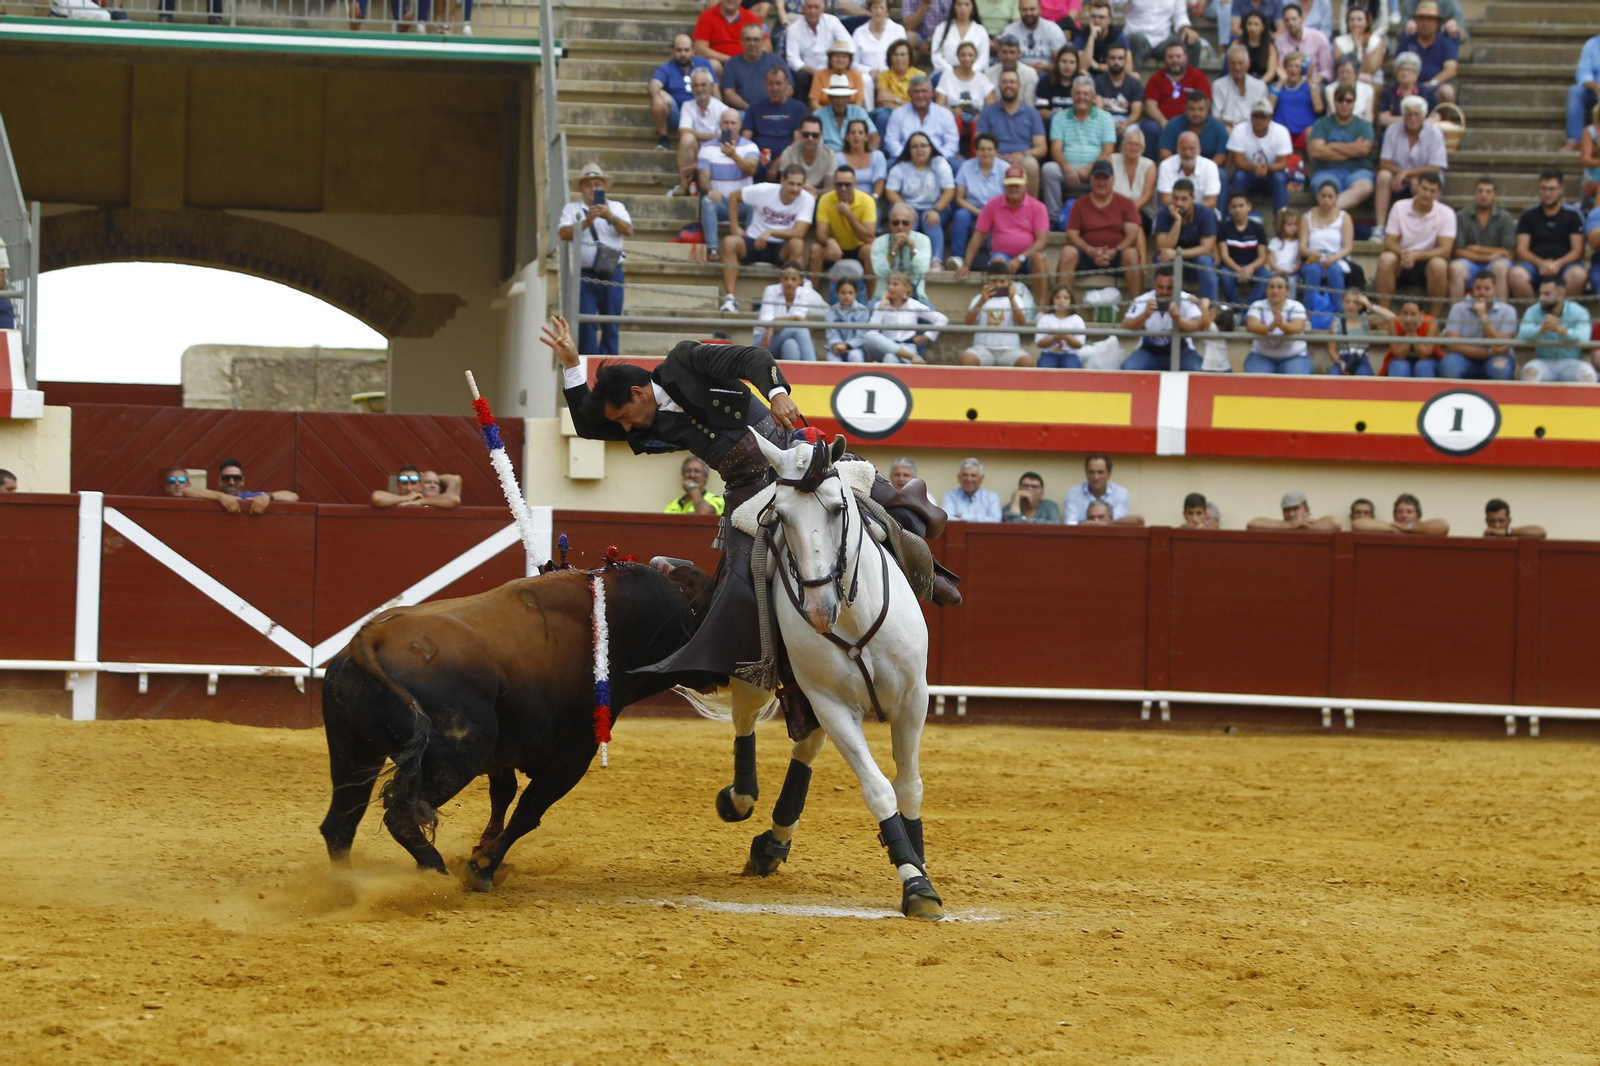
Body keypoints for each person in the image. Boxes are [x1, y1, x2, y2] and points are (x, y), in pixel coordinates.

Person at [541, 316, 962, 686]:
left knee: (878, 500)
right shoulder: (643, 422)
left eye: (624, 416)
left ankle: (924, 575)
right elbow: (590, 426)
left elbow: (750, 359)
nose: (625, 427)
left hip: (792, 455)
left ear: (639, 393)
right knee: (740, 584)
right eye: (621, 423)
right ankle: (780, 677)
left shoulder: (683, 362)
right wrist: (574, 367)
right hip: (746, 491)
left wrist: (776, 392)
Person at [558, 163, 633, 357]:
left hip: (612, 272)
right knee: (586, 324)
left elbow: (628, 230)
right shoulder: (572, 208)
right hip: (585, 274)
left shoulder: (616, 207)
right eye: (589, 184)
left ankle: (609, 367)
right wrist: (587, 221)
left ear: (604, 187)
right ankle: (588, 365)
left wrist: (609, 216)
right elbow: (563, 233)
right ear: (581, 188)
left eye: (597, 184)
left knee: (611, 323)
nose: (593, 188)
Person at [720, 168, 816, 312]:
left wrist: (770, 232)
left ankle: (795, 301)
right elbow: (734, 197)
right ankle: (730, 299)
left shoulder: (807, 199)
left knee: (798, 244)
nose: (795, 188)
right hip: (753, 240)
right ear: (782, 181)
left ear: (804, 185)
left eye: (799, 184)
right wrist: (735, 227)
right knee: (729, 242)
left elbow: (800, 232)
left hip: (781, 248)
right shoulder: (764, 190)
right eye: (791, 183)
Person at [962, 164, 1051, 300]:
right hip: (1002, 255)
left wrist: (1019, 259)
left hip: (1028, 257)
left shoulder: (1038, 207)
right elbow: (978, 236)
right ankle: (998, 308)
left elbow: (1042, 240)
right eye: (1010, 185)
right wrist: (966, 264)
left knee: (1039, 258)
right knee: (998, 263)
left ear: (1026, 186)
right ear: (1004, 185)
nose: (1013, 188)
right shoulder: (993, 204)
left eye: (1017, 184)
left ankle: (1042, 309)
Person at [1059, 158, 1144, 294]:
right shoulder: (1079, 204)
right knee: (1068, 252)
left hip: (1117, 256)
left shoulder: (1127, 203)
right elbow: (1072, 234)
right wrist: (1090, 250)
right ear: (1091, 180)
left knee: (1131, 253)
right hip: (1087, 256)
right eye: (1097, 178)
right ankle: (1061, 300)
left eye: (1105, 178)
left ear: (1113, 180)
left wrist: (1115, 251)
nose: (1101, 182)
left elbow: (1133, 235)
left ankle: (1137, 305)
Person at [1375, 169, 1453, 310]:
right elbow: (1390, 242)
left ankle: (1434, 321)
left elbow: (1446, 249)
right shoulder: (1399, 207)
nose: (1427, 194)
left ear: (1438, 193)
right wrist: (1404, 254)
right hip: (1402, 260)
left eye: (1432, 191)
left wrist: (1417, 256)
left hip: (1428, 263)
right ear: (1417, 187)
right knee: (1386, 259)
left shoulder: (1447, 213)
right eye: (1424, 188)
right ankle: (1384, 313)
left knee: (1439, 265)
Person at [1042, 74, 1116, 220]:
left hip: (1095, 167)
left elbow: (1108, 149)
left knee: (1110, 167)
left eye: (1086, 94)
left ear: (1093, 97)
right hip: (1067, 167)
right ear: (1072, 95)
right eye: (1078, 93)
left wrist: (1089, 168)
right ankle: (1054, 218)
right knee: (1048, 169)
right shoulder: (1059, 117)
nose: (1081, 97)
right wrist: (1067, 168)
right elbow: (1055, 149)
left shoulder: (1105, 117)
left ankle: (1103, 216)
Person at [1510, 170, 1588, 301]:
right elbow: (1521, 249)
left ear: (1561, 189)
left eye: (1552, 189)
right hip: (1534, 265)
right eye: (1543, 189)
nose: (1547, 194)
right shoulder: (1528, 215)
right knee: (1516, 274)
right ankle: (1533, 315)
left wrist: (1558, 264)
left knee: (1578, 275)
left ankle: (1562, 315)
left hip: (1565, 266)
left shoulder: (1573, 215)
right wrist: (1541, 264)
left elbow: (1578, 250)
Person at [1375, 95, 1447, 231]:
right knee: (1383, 176)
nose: (1413, 118)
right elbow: (1384, 163)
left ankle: (1428, 228)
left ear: (1423, 116)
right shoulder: (1392, 130)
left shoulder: (1435, 133)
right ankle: (1380, 227)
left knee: (1428, 183)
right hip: (1397, 175)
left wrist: (1409, 174)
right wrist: (1404, 175)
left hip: (1424, 175)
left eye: (1417, 115)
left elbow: (1436, 167)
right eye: (1409, 115)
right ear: (1403, 116)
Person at [886, 132, 956, 269]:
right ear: (909, 149)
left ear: (931, 148)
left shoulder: (940, 163)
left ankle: (936, 262)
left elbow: (949, 190)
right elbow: (890, 191)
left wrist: (936, 209)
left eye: (923, 145)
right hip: (908, 206)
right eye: (915, 146)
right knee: (905, 222)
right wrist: (906, 209)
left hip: (936, 206)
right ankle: (903, 261)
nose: (919, 149)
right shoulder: (900, 166)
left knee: (931, 221)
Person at [698, 109, 762, 261]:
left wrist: (733, 155)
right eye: (726, 123)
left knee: (756, 204)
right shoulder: (707, 148)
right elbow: (703, 179)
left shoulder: (750, 147)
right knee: (706, 202)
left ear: (740, 125)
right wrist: (710, 190)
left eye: (733, 123)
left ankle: (748, 247)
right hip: (721, 202)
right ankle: (713, 249)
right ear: (720, 125)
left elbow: (751, 169)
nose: (730, 126)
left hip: (742, 203)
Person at [976, 69, 1049, 196]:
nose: (1008, 85)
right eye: (1004, 82)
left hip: (1022, 159)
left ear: (1019, 86)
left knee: (1031, 164)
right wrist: (997, 156)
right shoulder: (988, 112)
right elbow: (977, 141)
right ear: (999, 86)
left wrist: (1020, 155)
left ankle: (1030, 211)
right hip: (994, 158)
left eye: (1012, 82)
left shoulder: (1032, 113)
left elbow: (1041, 148)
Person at [1120, 266, 1209, 370]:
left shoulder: (1186, 299)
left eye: (1169, 287)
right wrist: (1144, 315)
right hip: (1149, 352)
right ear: (1154, 284)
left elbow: (1198, 324)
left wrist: (1178, 319)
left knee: (1197, 370)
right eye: (1160, 287)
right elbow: (1126, 325)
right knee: (1128, 367)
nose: (1164, 292)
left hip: (1182, 352)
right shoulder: (1143, 299)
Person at [1306, 82, 1375, 212]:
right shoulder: (1322, 123)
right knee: (1325, 190)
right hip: (1326, 171)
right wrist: (1353, 149)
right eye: (1340, 99)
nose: (1344, 104)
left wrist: (1331, 145)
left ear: (1354, 103)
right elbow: (1316, 151)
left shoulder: (1364, 125)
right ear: (1335, 101)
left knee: (1365, 187)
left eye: (1348, 101)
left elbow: (1363, 150)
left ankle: (1323, 212)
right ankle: (1325, 213)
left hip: (1358, 171)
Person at [1439, 272, 1517, 381]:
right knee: (1449, 365)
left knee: (1502, 370)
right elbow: (1452, 344)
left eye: (1487, 289)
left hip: (1496, 357)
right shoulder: (1458, 308)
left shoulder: (1508, 311)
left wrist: (1483, 317)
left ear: (1495, 290)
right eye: (1478, 288)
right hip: (1464, 358)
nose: (1482, 293)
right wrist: (1486, 352)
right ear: (1472, 290)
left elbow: (1503, 346)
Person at [1153, 178, 1219, 305]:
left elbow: (1206, 248)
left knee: (1205, 260)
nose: (1179, 203)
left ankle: (1211, 310)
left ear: (1193, 198)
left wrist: (1178, 253)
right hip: (1171, 261)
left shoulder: (1205, 213)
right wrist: (1177, 221)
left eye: (1184, 199)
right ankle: (1163, 306)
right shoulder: (1164, 213)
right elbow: (1162, 246)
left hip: (1194, 263)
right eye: (1175, 198)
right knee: (1162, 257)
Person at [1517, 278, 1595, 383]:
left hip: (1571, 362)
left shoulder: (1579, 311)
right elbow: (1522, 334)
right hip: (1544, 362)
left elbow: (1584, 337)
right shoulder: (1533, 310)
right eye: (1540, 293)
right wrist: (1541, 329)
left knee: (1588, 375)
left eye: (1547, 294)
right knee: (1528, 373)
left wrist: (1561, 330)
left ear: (1561, 295)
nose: (1541, 298)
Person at [651, 35, 720, 151]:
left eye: (686, 50)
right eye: (679, 50)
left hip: (703, 111)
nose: (683, 54)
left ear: (692, 50)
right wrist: (656, 97)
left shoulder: (704, 63)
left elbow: (715, 88)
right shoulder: (666, 68)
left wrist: (719, 110)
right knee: (660, 95)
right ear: (672, 52)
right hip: (679, 115)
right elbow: (654, 84)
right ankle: (663, 138)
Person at [960, 262, 1038, 365]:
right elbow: (968, 322)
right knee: (967, 359)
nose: (998, 285)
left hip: (1010, 349)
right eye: (994, 281)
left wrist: (1012, 300)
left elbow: (1021, 322)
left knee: (1027, 362)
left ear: (1008, 281)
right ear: (987, 281)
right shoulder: (979, 298)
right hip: (982, 348)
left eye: (1002, 281)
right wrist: (982, 301)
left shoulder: (1016, 299)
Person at [811, 166, 880, 282]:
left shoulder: (867, 201)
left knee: (870, 250)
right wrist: (830, 241)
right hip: (835, 249)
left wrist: (849, 215)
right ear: (833, 184)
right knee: (815, 249)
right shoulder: (825, 199)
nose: (843, 188)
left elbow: (869, 237)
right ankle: (812, 295)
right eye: (839, 184)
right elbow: (820, 234)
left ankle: (872, 298)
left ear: (855, 184)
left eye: (847, 184)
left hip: (859, 249)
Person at [950, 133, 1007, 268]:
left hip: (997, 210)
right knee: (960, 215)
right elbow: (959, 198)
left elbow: (1008, 198)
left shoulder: (1005, 168)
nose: (986, 152)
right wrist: (978, 212)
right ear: (976, 151)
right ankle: (957, 257)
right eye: (982, 149)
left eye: (989, 149)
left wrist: (989, 213)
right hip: (972, 209)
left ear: (996, 151)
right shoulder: (966, 167)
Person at [862, 270, 948, 360]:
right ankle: (913, 357)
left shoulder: (913, 305)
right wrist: (881, 308)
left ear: (906, 287)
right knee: (869, 336)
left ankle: (907, 355)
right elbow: (872, 330)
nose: (890, 287)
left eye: (895, 284)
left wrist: (926, 336)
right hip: (885, 346)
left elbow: (942, 319)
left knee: (890, 357)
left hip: (907, 346)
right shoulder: (880, 304)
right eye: (889, 283)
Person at [1227, 98, 1292, 215]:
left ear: (1270, 118)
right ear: (1250, 117)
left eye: (1263, 117)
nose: (1259, 120)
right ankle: (1234, 219)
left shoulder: (1281, 131)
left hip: (1271, 175)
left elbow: (1283, 163)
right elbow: (1238, 161)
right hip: (1248, 174)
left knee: (1280, 178)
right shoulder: (1239, 130)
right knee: (1239, 176)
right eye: (1256, 117)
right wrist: (1254, 168)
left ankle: (1281, 220)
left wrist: (1267, 168)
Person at [744, 66, 812, 178]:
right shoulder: (755, 107)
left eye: (779, 83)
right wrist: (754, 154)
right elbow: (746, 138)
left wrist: (776, 164)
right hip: (759, 159)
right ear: (765, 85)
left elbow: (797, 141)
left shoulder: (798, 108)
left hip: (788, 161)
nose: (774, 88)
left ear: (787, 84)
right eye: (771, 83)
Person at [1092, 44, 1158, 153]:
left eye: (1120, 58)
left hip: (1128, 123)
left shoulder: (1135, 84)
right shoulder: (1099, 81)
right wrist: (1111, 125)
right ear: (1107, 60)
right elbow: (1099, 110)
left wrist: (1125, 124)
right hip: (1105, 121)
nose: (1116, 62)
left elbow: (1136, 112)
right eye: (1113, 58)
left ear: (1125, 61)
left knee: (1135, 136)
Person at [757, 260, 829, 360]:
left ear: (800, 280)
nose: (789, 282)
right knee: (801, 329)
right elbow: (766, 321)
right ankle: (813, 367)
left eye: (793, 279)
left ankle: (795, 375)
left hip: (783, 338)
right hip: (764, 341)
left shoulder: (803, 293)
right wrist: (795, 318)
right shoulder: (770, 290)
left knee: (791, 345)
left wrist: (774, 325)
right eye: (786, 278)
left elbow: (794, 323)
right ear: (781, 279)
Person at [673, 69, 729, 196]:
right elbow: (683, 131)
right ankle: (685, 185)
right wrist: (714, 137)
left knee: (690, 136)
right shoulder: (687, 106)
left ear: (711, 87)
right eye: (696, 85)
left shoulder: (722, 109)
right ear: (692, 88)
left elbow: (725, 140)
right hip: (695, 152)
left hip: (715, 154)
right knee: (687, 138)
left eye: (703, 85)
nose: (699, 89)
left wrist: (695, 134)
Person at [786, 0, 854, 102]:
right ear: (803, 9)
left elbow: (849, 44)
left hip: (833, 69)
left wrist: (836, 66)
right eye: (809, 7)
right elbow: (792, 59)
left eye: (816, 7)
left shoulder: (832, 21)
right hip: (809, 73)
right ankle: (803, 112)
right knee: (799, 76)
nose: (813, 11)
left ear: (822, 9)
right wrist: (815, 72)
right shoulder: (794, 29)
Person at [883, 75, 962, 161]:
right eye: (916, 92)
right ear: (909, 93)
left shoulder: (945, 114)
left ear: (932, 93)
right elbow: (891, 140)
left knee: (959, 168)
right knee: (886, 167)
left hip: (939, 159)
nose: (920, 95)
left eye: (924, 91)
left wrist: (936, 158)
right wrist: (907, 157)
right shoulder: (898, 113)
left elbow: (952, 143)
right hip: (904, 159)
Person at [1244, 274, 1310, 373]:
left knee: (1296, 383)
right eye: (1272, 287)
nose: (1275, 291)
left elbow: (1297, 328)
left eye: (1280, 287)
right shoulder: (1257, 305)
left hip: (1294, 356)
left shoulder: (1296, 306)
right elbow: (1251, 326)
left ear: (1288, 291)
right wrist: (1271, 327)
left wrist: (1281, 324)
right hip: (1261, 355)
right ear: (1266, 290)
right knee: (1256, 382)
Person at [1394, 0, 1457, 106]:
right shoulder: (1407, 41)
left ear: (1437, 22)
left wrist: (1431, 83)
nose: (1425, 23)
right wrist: (1410, 82)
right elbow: (1395, 65)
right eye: (1421, 19)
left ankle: (1443, 119)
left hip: (1435, 87)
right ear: (1416, 21)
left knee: (1447, 92)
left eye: (1430, 19)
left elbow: (1451, 68)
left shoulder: (1444, 42)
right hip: (1409, 85)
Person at [1300, 181, 1354, 299]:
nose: (1326, 200)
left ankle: (1339, 313)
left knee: (1334, 270)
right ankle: (1309, 311)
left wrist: (1334, 258)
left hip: (1336, 258)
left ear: (1336, 198)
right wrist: (1310, 252)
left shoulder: (1344, 217)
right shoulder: (1306, 217)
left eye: (1330, 196)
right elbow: (1302, 246)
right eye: (1323, 196)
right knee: (1313, 270)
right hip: (1313, 258)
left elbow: (1348, 247)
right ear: (1317, 196)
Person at [1326, 288, 1396, 376]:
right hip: (1342, 358)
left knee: (1364, 377)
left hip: (1361, 359)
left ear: (1360, 305)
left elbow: (1392, 317)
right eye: (1347, 302)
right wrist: (1340, 363)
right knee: (1332, 378)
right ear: (1342, 303)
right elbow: (1331, 350)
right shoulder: (1336, 323)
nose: (1350, 306)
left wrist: (1370, 305)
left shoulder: (1366, 320)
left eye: (1355, 302)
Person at [1218, 192, 1271, 308]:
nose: (1238, 210)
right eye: (1234, 206)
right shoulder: (1223, 228)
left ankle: (1248, 310)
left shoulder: (1257, 228)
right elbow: (1224, 255)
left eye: (1241, 206)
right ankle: (1237, 310)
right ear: (1229, 209)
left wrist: (1249, 268)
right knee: (1225, 275)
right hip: (1232, 267)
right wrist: (1239, 270)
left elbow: (1262, 256)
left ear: (1249, 207)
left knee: (1265, 276)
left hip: (1253, 267)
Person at [871, 204, 935, 300]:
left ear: (912, 224)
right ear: (890, 224)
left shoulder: (923, 240)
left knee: (931, 312)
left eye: (905, 223)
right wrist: (893, 250)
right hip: (884, 296)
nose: (900, 227)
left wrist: (912, 247)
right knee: (871, 309)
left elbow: (921, 269)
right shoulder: (879, 242)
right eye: (895, 223)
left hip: (915, 297)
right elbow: (880, 271)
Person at [721, 24, 789, 112]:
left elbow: (789, 88)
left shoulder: (776, 61)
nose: (752, 43)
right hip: (744, 112)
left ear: (763, 41)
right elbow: (728, 93)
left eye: (756, 39)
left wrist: (771, 106)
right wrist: (751, 109)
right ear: (741, 41)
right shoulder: (731, 64)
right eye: (748, 39)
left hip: (775, 109)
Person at [1143, 41, 1211, 128]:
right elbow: (1150, 105)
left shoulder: (1199, 77)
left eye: (1178, 56)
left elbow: (1206, 103)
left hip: (1189, 122)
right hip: (1162, 123)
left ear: (1186, 56)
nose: (1174, 60)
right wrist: (1163, 121)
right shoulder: (1156, 78)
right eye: (1170, 57)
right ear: (1165, 58)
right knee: (1149, 127)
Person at [200, 458, 300, 515]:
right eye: (227, 478)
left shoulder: (252, 497)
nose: (231, 482)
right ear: (220, 481)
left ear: (242, 481)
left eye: (236, 478)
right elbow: (188, 491)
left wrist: (268, 496)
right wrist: (220, 496)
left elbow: (293, 496)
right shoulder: (213, 498)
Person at [1123, 0, 1200, 72]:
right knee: (1135, 39)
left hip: (1162, 40)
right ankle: (1131, 82)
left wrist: (1185, 29)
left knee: (1192, 42)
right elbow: (1115, 2)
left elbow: (1180, 16)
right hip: (1137, 38)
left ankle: (1189, 84)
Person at [1063, 453, 1140, 524]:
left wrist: (1091, 524)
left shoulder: (1120, 493)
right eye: (1091, 472)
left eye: (1100, 472)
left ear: (1109, 474)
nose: (1096, 477)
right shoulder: (1074, 493)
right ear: (1086, 473)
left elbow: (1117, 523)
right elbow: (1070, 523)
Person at [1158, 91, 1229, 166]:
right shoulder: (1172, 125)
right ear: (1185, 109)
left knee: (1222, 175)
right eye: (1192, 109)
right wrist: (1183, 169)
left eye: (1201, 109)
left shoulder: (1219, 127)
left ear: (1207, 110)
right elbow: (1164, 153)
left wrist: (1203, 170)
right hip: (1178, 168)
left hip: (1207, 170)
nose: (1197, 113)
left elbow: (1221, 157)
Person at [1155, 131, 1222, 210]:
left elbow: (1211, 201)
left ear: (1199, 148)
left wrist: (1189, 212)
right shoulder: (1166, 165)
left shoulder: (1210, 166)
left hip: (1202, 212)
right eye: (1183, 149)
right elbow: (1165, 199)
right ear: (1177, 148)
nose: (1188, 153)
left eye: (1191, 148)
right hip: (1174, 211)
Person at [694, 0, 769, 71]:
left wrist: (749, 57)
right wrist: (728, 59)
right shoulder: (706, 16)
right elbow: (700, 49)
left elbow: (767, 46)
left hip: (747, 64)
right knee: (713, 64)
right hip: (720, 65)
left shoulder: (751, 17)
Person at [1211, 45, 1271, 132]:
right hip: (1228, 129)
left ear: (1248, 64)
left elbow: (1264, 114)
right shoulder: (1218, 85)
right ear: (1228, 64)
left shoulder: (1260, 86)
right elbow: (1215, 117)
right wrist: (1228, 123)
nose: (1237, 67)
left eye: (1240, 63)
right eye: (1233, 63)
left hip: (1254, 130)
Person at [937, 41, 996, 127]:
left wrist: (982, 116)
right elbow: (939, 103)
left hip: (976, 118)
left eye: (970, 55)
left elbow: (991, 106)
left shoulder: (982, 78)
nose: (967, 58)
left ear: (975, 57)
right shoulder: (947, 76)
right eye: (963, 55)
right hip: (953, 117)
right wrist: (951, 111)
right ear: (958, 57)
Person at [776, 115, 839, 195]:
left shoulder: (830, 154)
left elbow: (830, 188)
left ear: (821, 135)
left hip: (820, 198)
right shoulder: (789, 153)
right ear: (800, 134)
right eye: (806, 134)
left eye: (814, 135)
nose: (810, 138)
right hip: (793, 196)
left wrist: (815, 192)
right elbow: (784, 184)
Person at [873, 40, 925, 137]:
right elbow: (881, 101)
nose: (899, 58)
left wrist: (894, 99)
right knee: (882, 117)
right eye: (895, 55)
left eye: (903, 54)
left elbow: (919, 104)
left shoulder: (919, 75)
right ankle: (882, 152)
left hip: (914, 114)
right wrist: (907, 103)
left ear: (910, 57)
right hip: (890, 113)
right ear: (890, 58)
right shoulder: (884, 75)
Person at [1273, 3, 1332, 85]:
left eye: (1294, 19)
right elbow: (1280, 67)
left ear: (1302, 19)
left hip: (1314, 81)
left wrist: (1314, 81)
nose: (1290, 23)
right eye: (1287, 20)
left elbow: (1327, 71)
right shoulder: (1279, 42)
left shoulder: (1319, 37)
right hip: (1288, 83)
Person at [1271, 51, 1323, 145]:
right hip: (1283, 133)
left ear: (1303, 69)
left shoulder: (1311, 86)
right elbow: (1268, 109)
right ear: (1285, 69)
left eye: (1297, 66)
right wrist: (1281, 81)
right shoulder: (1277, 87)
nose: (1293, 69)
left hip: (1304, 133)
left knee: (1311, 132)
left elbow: (1319, 108)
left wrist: (1310, 78)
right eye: (1290, 66)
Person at [1377, 52, 1435, 132]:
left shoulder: (1426, 92)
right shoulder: (1388, 92)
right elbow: (1383, 118)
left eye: (1408, 70)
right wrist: (1410, 121)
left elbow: (1436, 116)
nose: (1404, 73)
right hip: (1396, 131)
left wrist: (1417, 124)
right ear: (1396, 73)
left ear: (1416, 74)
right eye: (1402, 69)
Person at [808, 40, 874, 111]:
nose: (840, 60)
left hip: (850, 114)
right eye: (837, 56)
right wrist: (826, 115)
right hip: (825, 113)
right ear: (830, 59)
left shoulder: (856, 74)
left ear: (849, 60)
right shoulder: (820, 74)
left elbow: (859, 101)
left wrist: (851, 115)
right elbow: (814, 102)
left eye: (844, 57)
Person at [816, 73, 876, 150]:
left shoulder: (859, 112)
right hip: (828, 158)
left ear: (849, 98)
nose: (840, 101)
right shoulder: (818, 115)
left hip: (854, 156)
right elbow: (817, 145)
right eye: (836, 97)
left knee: (878, 155)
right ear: (830, 98)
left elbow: (874, 135)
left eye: (843, 97)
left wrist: (868, 155)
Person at [930, 0, 992, 76]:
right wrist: (949, 70)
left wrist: (970, 71)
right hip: (946, 73)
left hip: (974, 73)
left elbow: (984, 58)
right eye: (959, 4)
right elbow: (936, 54)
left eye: (967, 4)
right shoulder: (941, 28)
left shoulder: (980, 30)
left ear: (972, 8)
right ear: (954, 7)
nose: (963, 8)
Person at [1381, 299, 1440, 377]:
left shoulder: (1431, 323)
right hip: (1402, 359)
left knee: (1423, 366)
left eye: (1413, 314)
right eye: (1405, 314)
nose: (1408, 318)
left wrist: (1414, 333)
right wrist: (1408, 334)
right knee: (1398, 366)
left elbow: (1424, 355)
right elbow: (1399, 355)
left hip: (1428, 360)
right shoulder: (1394, 322)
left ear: (1421, 314)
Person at [1006, 0, 1068, 72]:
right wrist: (1028, 68)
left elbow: (1062, 61)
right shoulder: (1010, 31)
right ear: (1019, 10)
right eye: (1025, 10)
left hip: (1048, 74)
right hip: (1018, 73)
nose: (1028, 13)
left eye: (1032, 9)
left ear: (1040, 9)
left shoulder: (1053, 29)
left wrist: (1043, 67)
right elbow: (1005, 60)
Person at [1564, 32, 1600, 153]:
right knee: (1575, 91)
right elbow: (1583, 74)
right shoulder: (1591, 45)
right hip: (1594, 91)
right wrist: (1596, 87)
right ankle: (1576, 140)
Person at [1113, 127, 1157, 225]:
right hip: (1114, 210)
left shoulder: (1149, 165)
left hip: (1141, 211)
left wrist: (1128, 211)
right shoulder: (1112, 160)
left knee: (1133, 222)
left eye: (1137, 144)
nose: (1133, 147)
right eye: (1130, 143)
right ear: (1123, 145)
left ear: (1143, 148)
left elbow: (1147, 195)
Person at [1035, 284, 1087, 367]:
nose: (1061, 301)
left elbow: (1079, 344)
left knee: (1071, 368)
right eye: (1058, 297)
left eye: (1066, 298)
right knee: (1045, 367)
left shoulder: (1077, 319)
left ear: (1071, 301)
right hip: (1049, 354)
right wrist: (1053, 338)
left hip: (1070, 354)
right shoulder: (1045, 319)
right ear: (1052, 300)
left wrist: (1067, 337)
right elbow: (1039, 342)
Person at [853, 0, 909, 76]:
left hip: (892, 74)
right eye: (875, 7)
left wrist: (886, 74)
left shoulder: (898, 30)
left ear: (887, 11)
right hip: (868, 76)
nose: (878, 11)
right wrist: (869, 71)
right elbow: (853, 63)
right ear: (870, 10)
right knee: (864, 79)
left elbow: (904, 57)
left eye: (882, 8)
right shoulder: (859, 32)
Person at [1333, 7, 1384, 90]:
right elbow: (1341, 68)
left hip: (1371, 81)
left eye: (1359, 20)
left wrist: (1364, 48)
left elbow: (1369, 70)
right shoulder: (1339, 41)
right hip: (1345, 80)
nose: (1355, 23)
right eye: (1352, 20)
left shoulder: (1377, 41)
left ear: (1367, 23)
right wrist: (1355, 49)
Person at [1352, 493, 1449, 536]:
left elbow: (1443, 525)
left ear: (1418, 515)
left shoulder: (1425, 528)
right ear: (1394, 516)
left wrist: (1410, 528)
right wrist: (1396, 528)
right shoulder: (1387, 529)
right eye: (1400, 512)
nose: (1404, 515)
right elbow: (1357, 523)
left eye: (1409, 512)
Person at [825, 276, 874, 360]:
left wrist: (847, 345)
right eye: (843, 292)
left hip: (857, 348)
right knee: (832, 358)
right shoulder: (831, 312)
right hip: (837, 348)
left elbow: (862, 336)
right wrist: (837, 345)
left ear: (856, 294)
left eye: (850, 293)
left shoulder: (863, 310)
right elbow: (831, 334)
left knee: (855, 356)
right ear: (837, 293)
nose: (847, 296)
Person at [1074, 0, 1128, 75]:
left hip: (1111, 76)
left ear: (1110, 20)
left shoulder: (1118, 36)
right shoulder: (1082, 36)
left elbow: (1128, 68)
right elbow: (1082, 67)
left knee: (1135, 76)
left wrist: (1098, 66)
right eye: (1093, 17)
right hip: (1090, 77)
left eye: (1101, 17)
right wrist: (1092, 37)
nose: (1097, 20)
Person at [987, 35, 1042, 108]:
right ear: (999, 53)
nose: (1008, 56)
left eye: (1012, 52)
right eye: (1004, 52)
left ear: (1019, 53)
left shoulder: (1030, 73)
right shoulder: (989, 73)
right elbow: (989, 106)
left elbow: (1030, 104)